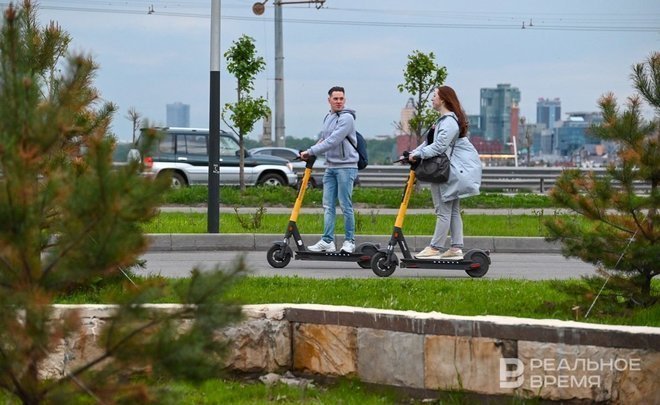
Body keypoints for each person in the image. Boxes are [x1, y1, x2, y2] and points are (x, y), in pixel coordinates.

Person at [409, 85, 482, 260]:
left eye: (434, 96)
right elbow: (429, 143)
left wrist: (418, 155)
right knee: (453, 210)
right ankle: (456, 248)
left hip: (443, 172)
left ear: (442, 99)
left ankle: (435, 248)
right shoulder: (443, 121)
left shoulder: (448, 123)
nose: (432, 99)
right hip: (447, 172)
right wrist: (412, 153)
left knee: (442, 210)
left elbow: (439, 147)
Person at [300, 86, 359, 253]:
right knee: (327, 206)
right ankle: (327, 241)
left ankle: (349, 241)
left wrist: (311, 151)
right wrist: (308, 152)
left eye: (341, 98)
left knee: (345, 205)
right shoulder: (328, 117)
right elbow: (324, 139)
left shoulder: (347, 118)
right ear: (329, 100)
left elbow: (334, 140)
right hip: (331, 167)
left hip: (346, 166)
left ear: (345, 100)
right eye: (335, 99)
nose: (339, 101)